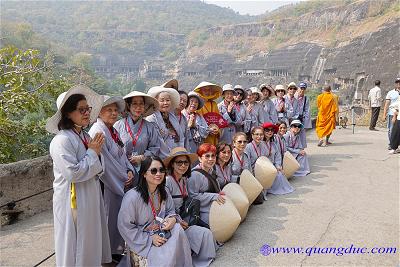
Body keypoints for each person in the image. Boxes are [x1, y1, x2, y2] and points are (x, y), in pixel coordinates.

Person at [46, 85, 111, 266]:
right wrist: (93, 154)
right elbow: (72, 173)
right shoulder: (62, 140)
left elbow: (99, 166)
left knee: (89, 238)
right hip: (72, 200)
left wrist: (95, 154)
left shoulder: (84, 136)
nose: (86, 113)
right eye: (81, 109)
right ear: (68, 113)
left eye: (87, 109)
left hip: (89, 195)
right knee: (73, 243)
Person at [117, 156, 193, 267]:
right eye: (153, 170)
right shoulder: (132, 197)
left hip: (163, 232)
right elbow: (125, 226)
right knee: (164, 261)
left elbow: (170, 211)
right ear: (144, 174)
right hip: (143, 240)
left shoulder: (164, 191)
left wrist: (172, 219)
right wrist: (150, 239)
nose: (158, 174)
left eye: (161, 170)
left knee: (177, 228)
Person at [89, 96, 134, 261]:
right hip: (107, 184)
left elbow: (121, 155)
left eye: (116, 110)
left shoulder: (113, 131)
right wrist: (124, 177)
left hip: (119, 179)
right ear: (99, 112)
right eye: (109, 110)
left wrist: (129, 170)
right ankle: (107, 256)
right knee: (108, 218)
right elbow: (105, 163)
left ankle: (115, 251)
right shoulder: (97, 132)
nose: (114, 113)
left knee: (116, 218)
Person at [164, 147, 217, 266]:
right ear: (172, 164)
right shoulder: (167, 181)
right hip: (171, 222)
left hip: (184, 219)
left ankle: (200, 260)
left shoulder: (183, 179)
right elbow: (165, 208)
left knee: (206, 233)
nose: (183, 165)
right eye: (179, 162)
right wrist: (177, 220)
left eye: (186, 162)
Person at [114, 91, 161, 174]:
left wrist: (142, 157)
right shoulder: (118, 125)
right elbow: (113, 149)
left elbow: (155, 148)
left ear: (144, 106)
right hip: (121, 169)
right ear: (128, 106)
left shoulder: (150, 127)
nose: (138, 107)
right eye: (135, 103)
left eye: (141, 104)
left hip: (144, 170)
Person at [188, 143, 226, 226]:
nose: (211, 159)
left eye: (213, 156)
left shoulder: (212, 170)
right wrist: (213, 196)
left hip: (214, 206)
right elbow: (192, 196)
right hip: (202, 211)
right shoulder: (194, 175)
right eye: (207, 156)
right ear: (200, 158)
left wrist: (219, 193)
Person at [147, 86, 185, 158]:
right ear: (156, 102)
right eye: (162, 100)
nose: (165, 103)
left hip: (177, 156)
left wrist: (180, 153)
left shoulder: (172, 117)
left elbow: (181, 137)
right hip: (161, 158)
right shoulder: (151, 119)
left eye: (168, 100)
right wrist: (170, 157)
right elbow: (157, 142)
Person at [262, 122, 294, 195]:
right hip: (264, 168)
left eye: (272, 130)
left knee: (280, 174)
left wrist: (278, 166)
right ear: (263, 131)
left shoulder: (273, 143)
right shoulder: (260, 143)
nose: (270, 132)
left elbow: (278, 156)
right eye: (267, 130)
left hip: (274, 166)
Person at [383, 78, 400, 149]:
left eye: (399, 82)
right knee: (391, 129)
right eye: (397, 82)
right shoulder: (390, 93)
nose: (398, 84)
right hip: (391, 113)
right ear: (395, 84)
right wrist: (384, 114)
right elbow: (386, 104)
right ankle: (391, 144)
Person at [296, 82, 312, 148]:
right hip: (293, 118)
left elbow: (307, 110)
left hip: (301, 118)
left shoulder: (306, 98)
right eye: (301, 88)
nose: (302, 90)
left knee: (301, 135)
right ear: (298, 89)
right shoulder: (294, 96)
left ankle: (300, 149)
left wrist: (306, 123)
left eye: (303, 88)